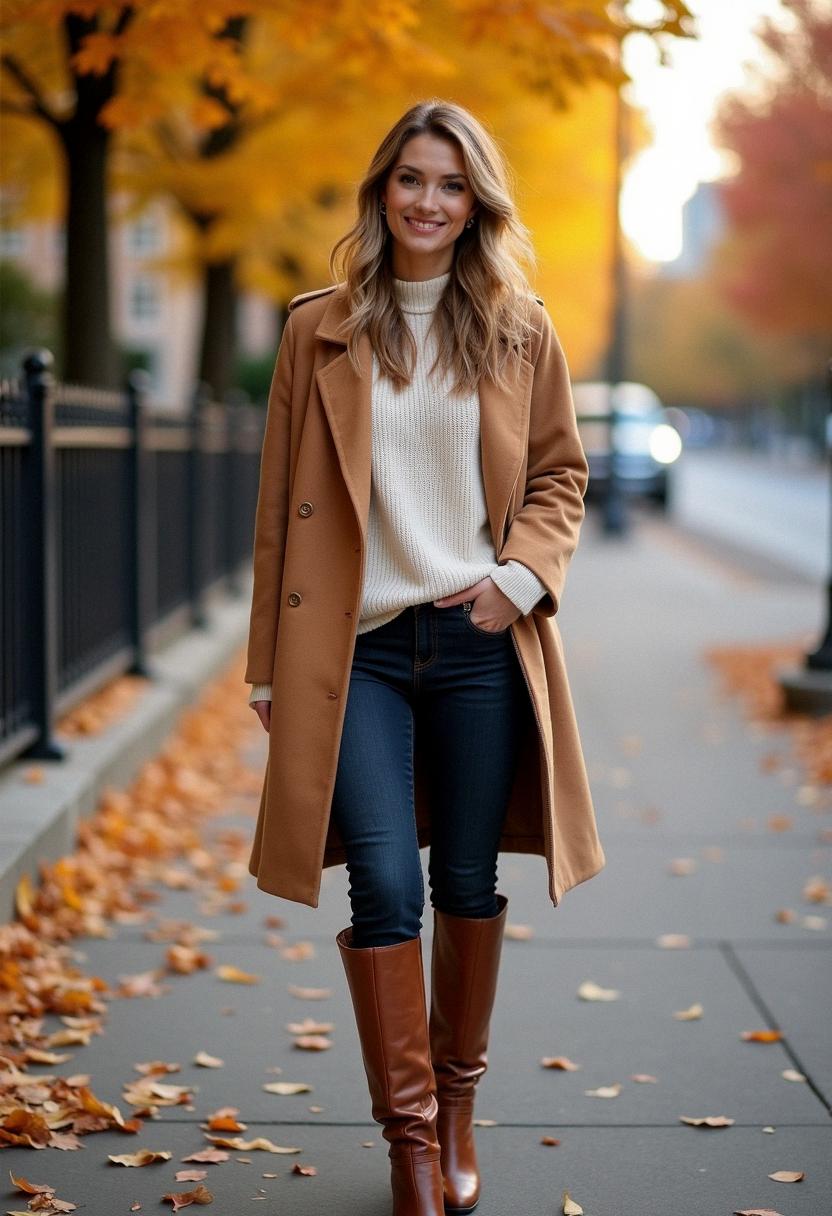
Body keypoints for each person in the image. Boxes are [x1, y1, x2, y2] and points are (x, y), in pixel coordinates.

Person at [245, 98, 605, 1216]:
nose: (428, 201)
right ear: (381, 189)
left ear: (475, 202)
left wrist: (515, 583)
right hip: (354, 655)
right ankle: (409, 1147)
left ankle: (454, 1108)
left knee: (463, 880)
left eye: (450, 184)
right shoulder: (319, 330)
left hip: (478, 644)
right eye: (410, 179)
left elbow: (559, 477)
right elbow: (279, 511)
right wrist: (266, 663)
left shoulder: (516, 327)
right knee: (387, 886)